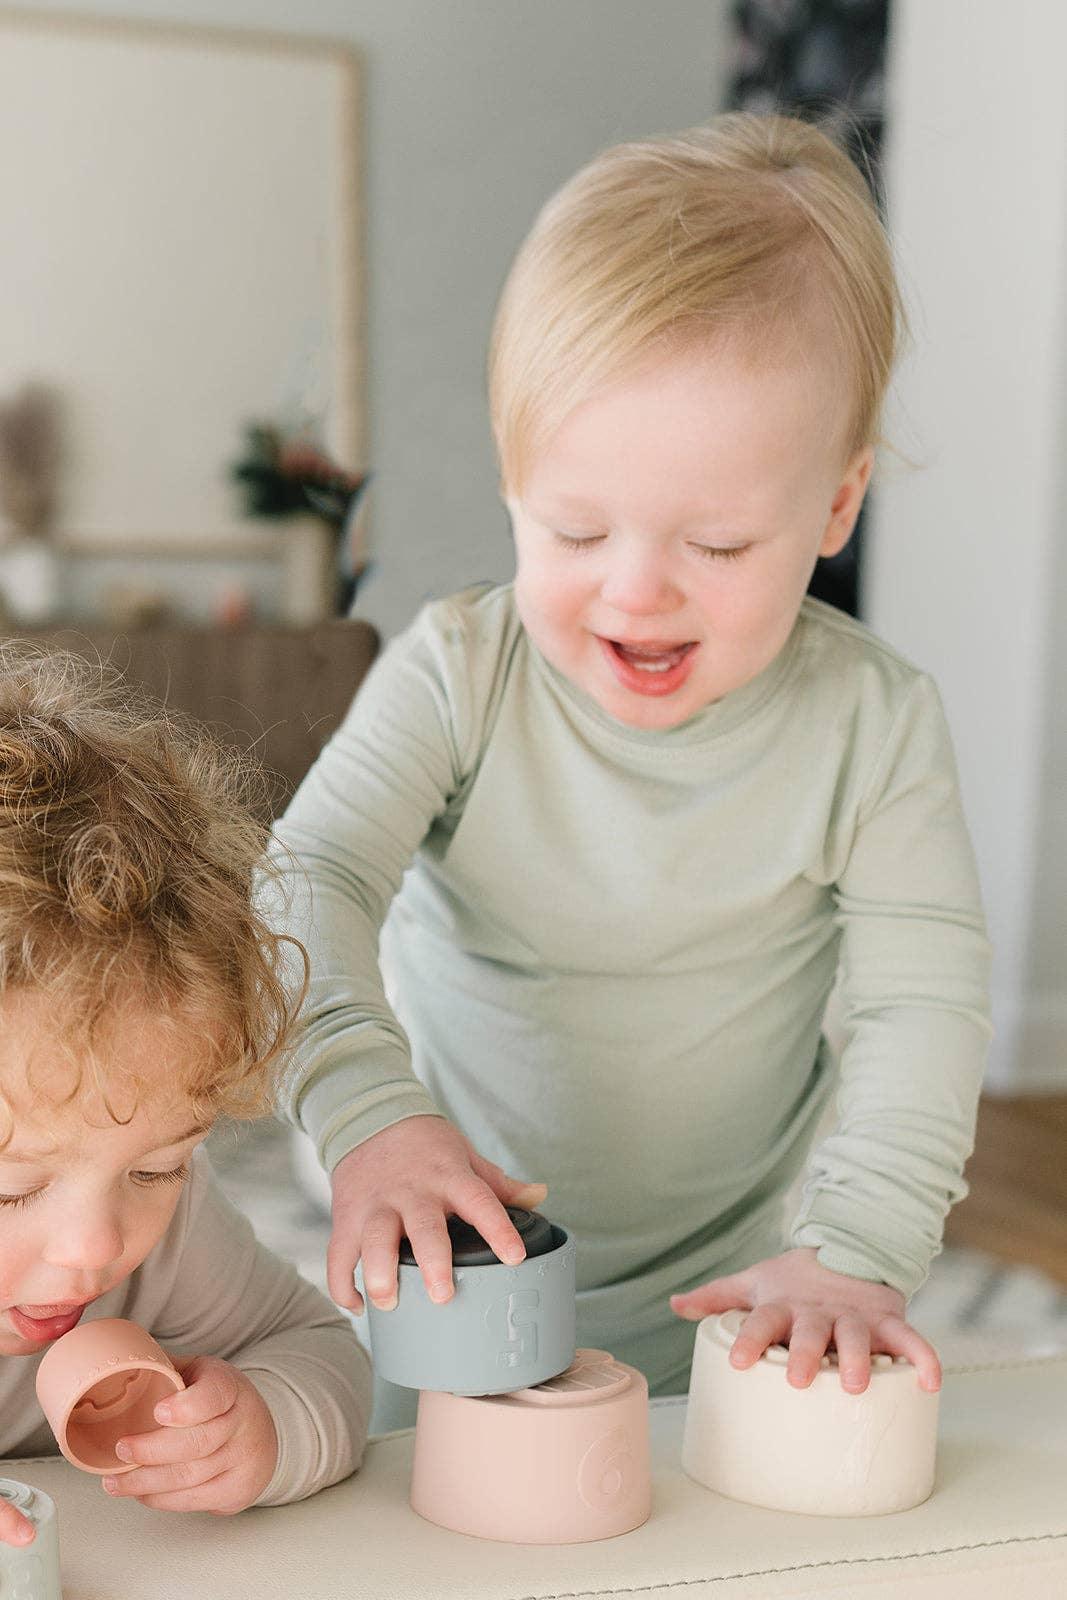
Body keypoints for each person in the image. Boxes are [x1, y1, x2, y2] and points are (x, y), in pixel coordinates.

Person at [266, 113, 991, 1432]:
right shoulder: (456, 675)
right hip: (435, 1269)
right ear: (511, 483)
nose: (636, 589)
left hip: (733, 1302)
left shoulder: (868, 724)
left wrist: (856, 1251)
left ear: (834, 507)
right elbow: (305, 881)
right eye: (575, 527)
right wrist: (369, 1118)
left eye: (716, 543)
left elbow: (920, 1006)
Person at [0, 646, 371, 1549]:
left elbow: (322, 1350)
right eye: (11, 1187)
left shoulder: (168, 1249)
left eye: (159, 1166)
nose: (98, 1248)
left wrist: (266, 1427)